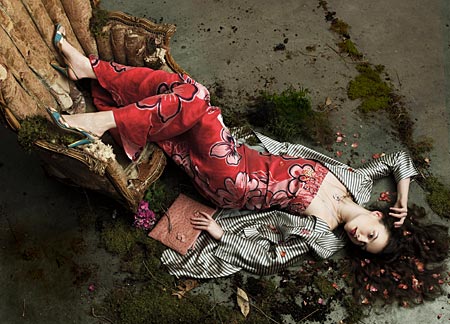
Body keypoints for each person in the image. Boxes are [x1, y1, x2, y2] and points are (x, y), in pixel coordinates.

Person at [49, 24, 449, 304]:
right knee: (184, 92)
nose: (360, 239)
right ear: (379, 217)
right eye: (372, 234)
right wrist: (403, 193)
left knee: (196, 97)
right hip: (237, 153)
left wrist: (224, 236)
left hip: (233, 181)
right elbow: (399, 159)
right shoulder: (358, 183)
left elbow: (270, 258)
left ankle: (101, 108)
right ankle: (94, 76)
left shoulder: (325, 238)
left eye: (364, 246)